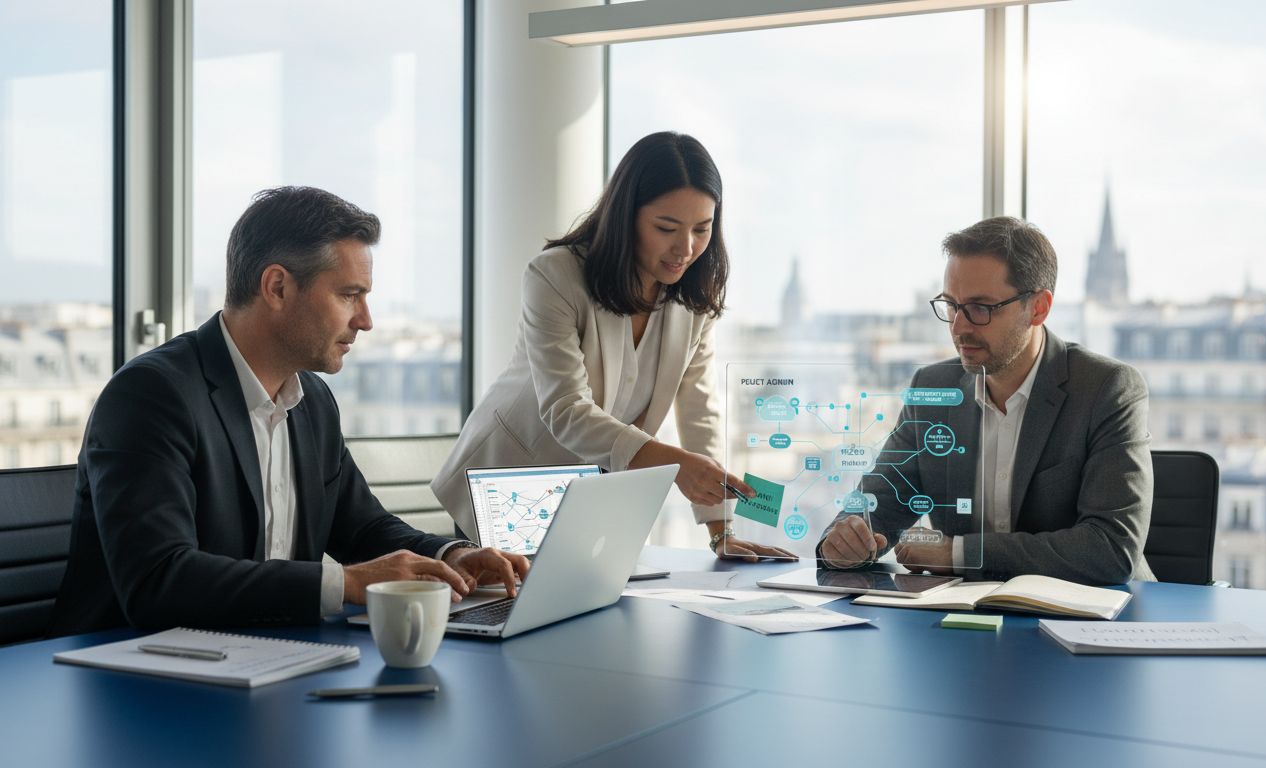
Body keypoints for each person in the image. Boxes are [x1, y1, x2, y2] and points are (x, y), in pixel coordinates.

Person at [49, 187, 528, 637]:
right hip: (129, 667)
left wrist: (451, 555)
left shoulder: (311, 400)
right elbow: (159, 580)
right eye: (349, 295)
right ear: (277, 287)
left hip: (268, 654)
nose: (365, 320)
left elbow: (362, 528)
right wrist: (344, 583)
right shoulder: (151, 395)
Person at [432, 132, 794, 561]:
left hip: (594, 493)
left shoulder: (692, 297)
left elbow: (700, 411)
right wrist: (675, 464)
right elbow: (566, 409)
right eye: (666, 228)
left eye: (702, 228)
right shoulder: (555, 276)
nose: (686, 248)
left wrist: (721, 530)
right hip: (510, 482)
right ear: (626, 217)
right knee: (514, 601)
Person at [817, 216, 1154, 585]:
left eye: (980, 308)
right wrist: (845, 540)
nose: (959, 327)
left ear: (1038, 307)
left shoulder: (1107, 389)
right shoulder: (933, 390)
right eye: (951, 305)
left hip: (1095, 612)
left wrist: (960, 554)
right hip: (966, 610)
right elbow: (877, 504)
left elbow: (1111, 548)